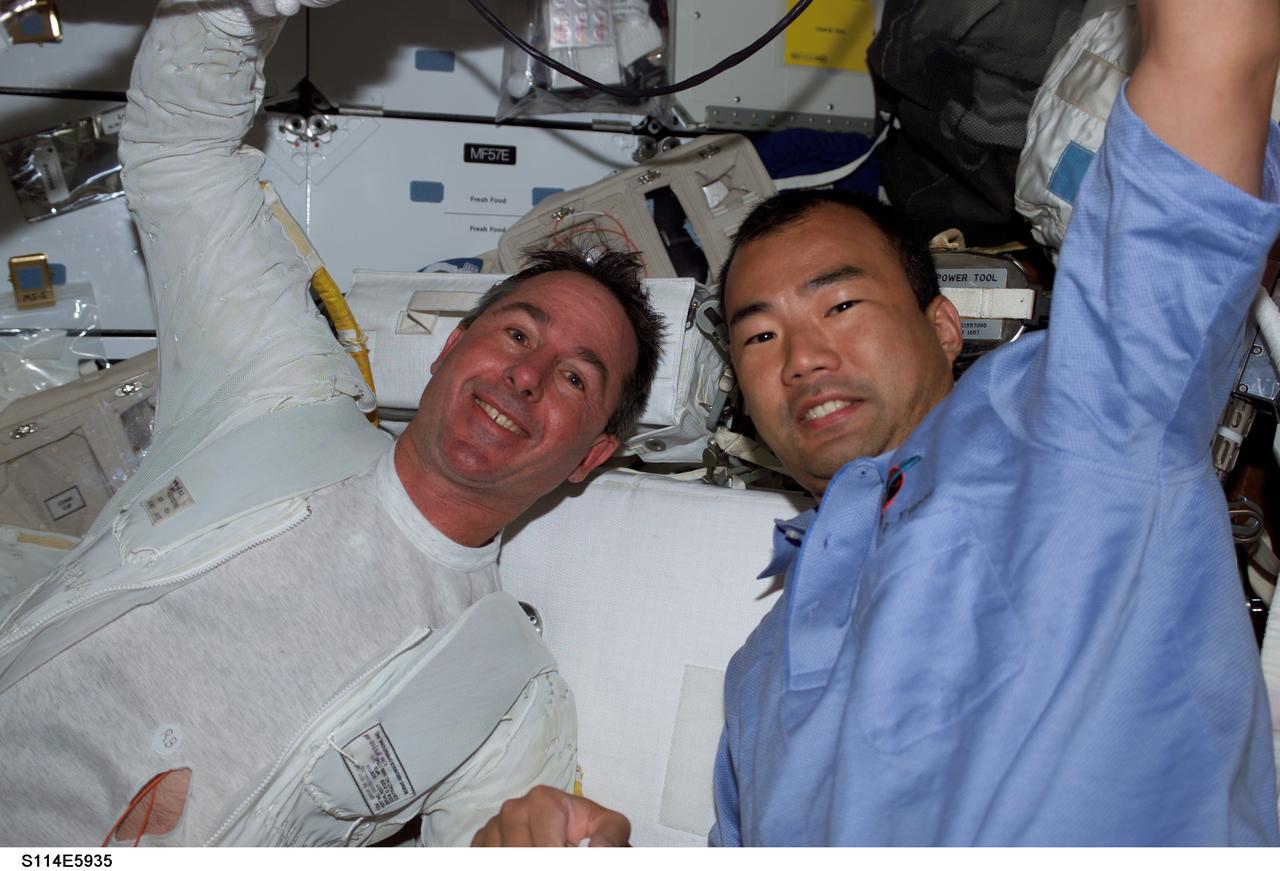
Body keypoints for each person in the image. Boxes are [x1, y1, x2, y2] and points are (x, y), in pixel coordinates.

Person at [473, 0, 1280, 845]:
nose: (801, 357)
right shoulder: (760, 678)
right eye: (759, 336)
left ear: (944, 326)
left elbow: (1217, 53)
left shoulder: (1085, 416)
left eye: (841, 305)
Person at [0, 0, 663, 847]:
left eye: (574, 376)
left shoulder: (501, 690)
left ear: (591, 455)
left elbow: (506, 843)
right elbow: (179, 151)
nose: (527, 375)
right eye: (516, 333)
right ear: (450, 347)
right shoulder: (274, 389)